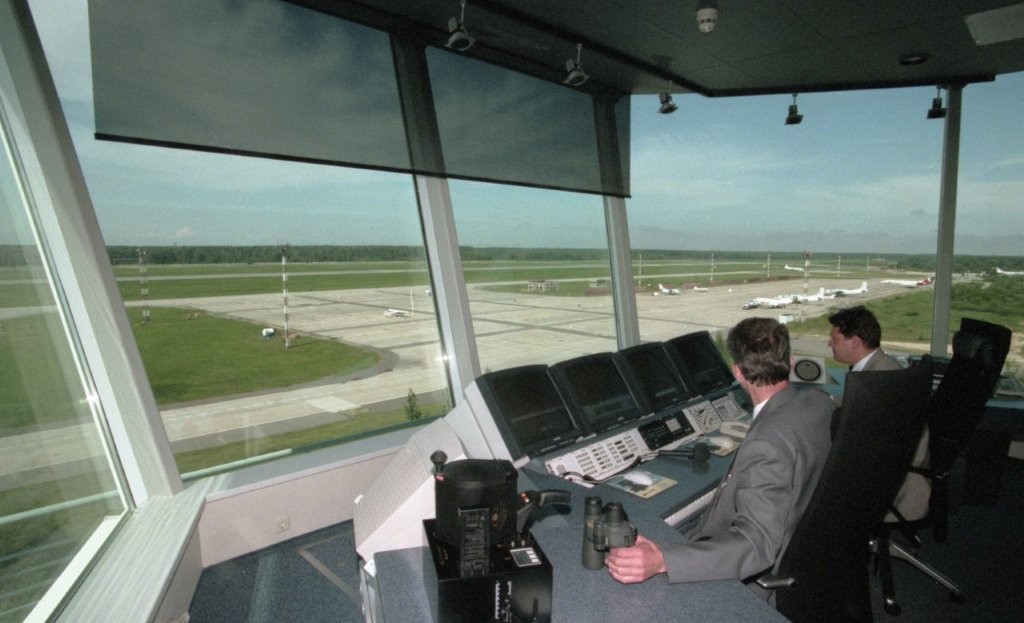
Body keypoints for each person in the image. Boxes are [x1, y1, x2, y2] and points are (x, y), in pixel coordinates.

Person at [605, 318, 834, 594]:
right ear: (791, 362)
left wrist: (662, 560)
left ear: (737, 372)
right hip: (809, 554)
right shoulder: (819, 403)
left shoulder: (767, 443)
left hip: (759, 582)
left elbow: (756, 545)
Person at [827, 305, 930, 521]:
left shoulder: (879, 382)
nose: (829, 344)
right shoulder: (882, 367)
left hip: (893, 487)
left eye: (834, 339)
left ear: (855, 342)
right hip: (892, 468)